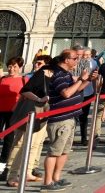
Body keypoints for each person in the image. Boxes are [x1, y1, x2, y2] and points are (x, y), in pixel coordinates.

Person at [44, 49, 97, 191]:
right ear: (66, 60)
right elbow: (66, 93)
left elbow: (76, 90)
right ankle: (48, 181)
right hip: (60, 119)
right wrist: (80, 79)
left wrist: (89, 80)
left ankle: (56, 178)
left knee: (64, 151)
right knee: (54, 151)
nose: (77, 61)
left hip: (70, 117)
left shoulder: (66, 74)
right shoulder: (58, 75)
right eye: (75, 58)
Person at [6, 54, 51, 188]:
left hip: (43, 113)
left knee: (35, 144)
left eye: (40, 63)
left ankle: (27, 171)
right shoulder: (37, 76)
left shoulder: (50, 76)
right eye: (36, 63)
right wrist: (39, 99)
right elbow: (24, 92)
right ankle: (11, 173)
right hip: (29, 112)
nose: (36, 65)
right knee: (20, 143)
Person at [0, 58, 26, 167]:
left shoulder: (24, 80)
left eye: (15, 66)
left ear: (20, 67)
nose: (11, 69)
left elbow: (25, 96)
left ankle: (3, 161)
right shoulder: (2, 79)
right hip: (0, 110)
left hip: (14, 112)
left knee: (9, 137)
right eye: (10, 66)